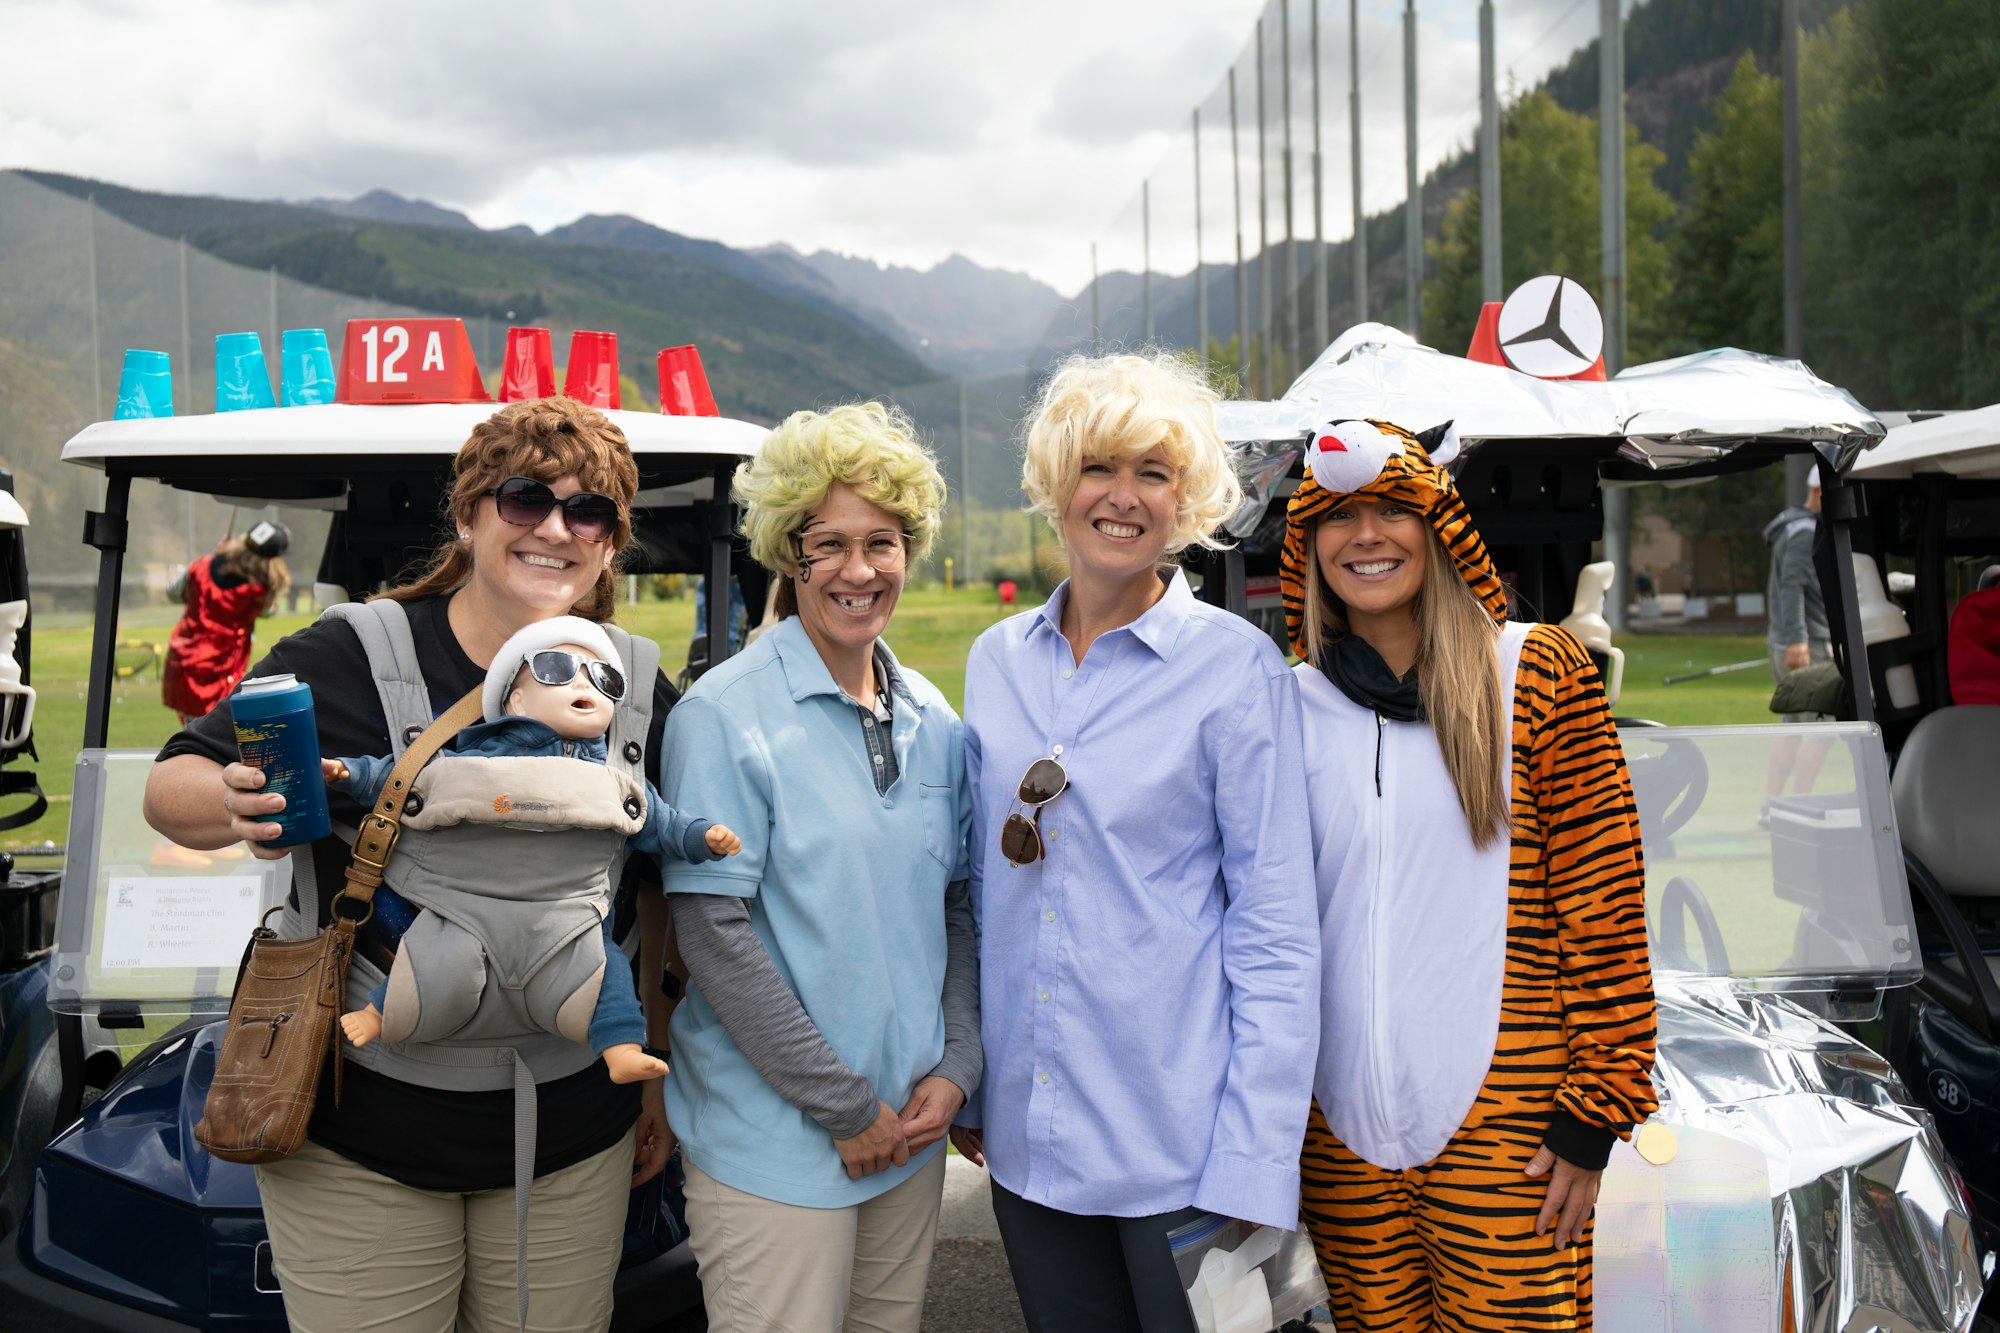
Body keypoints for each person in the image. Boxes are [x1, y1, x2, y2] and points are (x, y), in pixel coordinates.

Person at [143, 396, 676, 1332]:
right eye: (524, 499)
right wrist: (230, 800)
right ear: (468, 515)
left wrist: (661, 1069)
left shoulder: (635, 685)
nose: (556, 529)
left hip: (571, 1142)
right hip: (361, 1141)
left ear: (609, 543)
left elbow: (661, 894)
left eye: (588, 512)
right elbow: (173, 782)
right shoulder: (350, 653)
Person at [951, 352, 1320, 1331]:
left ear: (1186, 498)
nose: (1121, 498)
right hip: (1030, 1148)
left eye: (1151, 474)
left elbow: (1276, 927)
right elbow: (984, 892)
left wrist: (1256, 1151)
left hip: (1185, 1151)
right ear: (1055, 484)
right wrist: (976, 1077)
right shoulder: (994, 663)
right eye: (1097, 469)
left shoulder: (1234, 669)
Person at [1282, 417, 1658, 1332]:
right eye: (1337, 516)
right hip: (1338, 1137)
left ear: (1440, 527)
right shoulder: (1285, 700)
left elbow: (1603, 903)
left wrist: (1594, 1112)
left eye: (1391, 510)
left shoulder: (1535, 671)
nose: (1365, 535)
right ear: (1307, 545)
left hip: (1514, 1129)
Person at [658, 401, 977, 1333]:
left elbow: (955, 907)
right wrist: (843, 1107)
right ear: (786, 554)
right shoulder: (724, 714)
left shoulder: (935, 718)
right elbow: (713, 934)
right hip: (780, 1149)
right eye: (825, 544)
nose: (857, 570)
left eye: (882, 541)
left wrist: (958, 1061)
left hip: (909, 1139)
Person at [324, 615, 740, 1085]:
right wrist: (351, 774)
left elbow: (660, 823)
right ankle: (381, 1014)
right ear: (515, 700)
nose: (583, 681)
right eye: (557, 669)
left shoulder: (617, 781)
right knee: (434, 960)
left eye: (604, 678)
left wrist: (702, 837)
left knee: (606, 975)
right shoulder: (479, 756)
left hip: (567, 917)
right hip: (469, 907)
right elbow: (402, 781)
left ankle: (621, 1048)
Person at [163, 519, 292, 726]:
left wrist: (218, 557)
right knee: (211, 740)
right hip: (218, 674)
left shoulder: (202, 565)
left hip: (182, 663)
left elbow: (173, 594)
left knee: (193, 733)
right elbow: (269, 612)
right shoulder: (259, 590)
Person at [1766, 466, 1832, 805]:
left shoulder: (1791, 525)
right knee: (1820, 729)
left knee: (1792, 725)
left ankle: (1773, 805)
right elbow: (1793, 585)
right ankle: (1801, 803)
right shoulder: (1807, 530)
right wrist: (1798, 640)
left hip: (1791, 642)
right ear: (1820, 492)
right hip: (1807, 645)